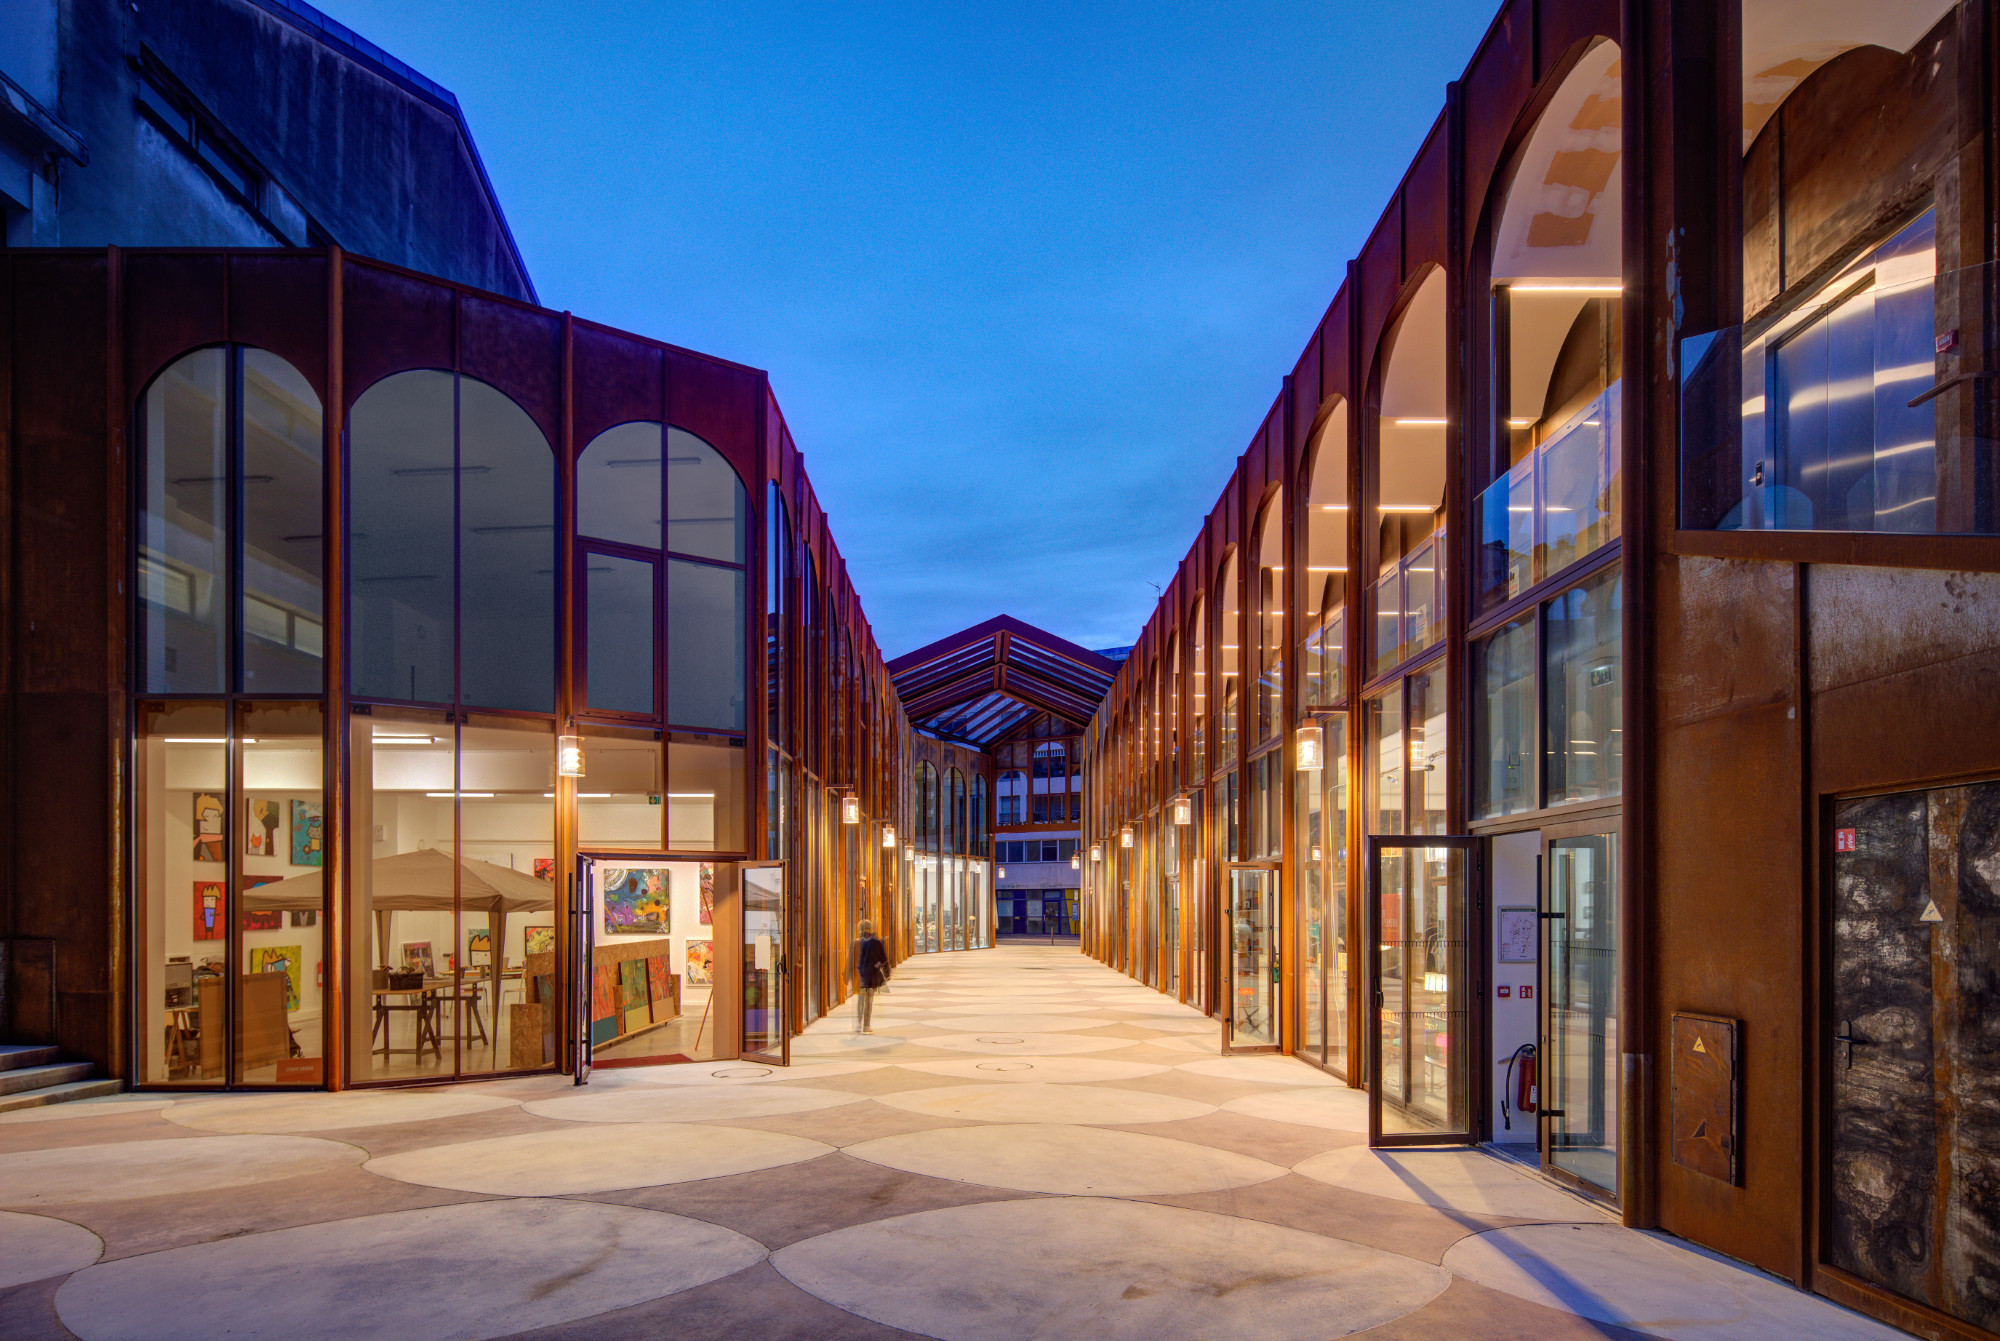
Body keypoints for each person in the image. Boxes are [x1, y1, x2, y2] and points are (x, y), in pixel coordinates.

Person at [851, 920, 888, 1034]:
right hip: (871, 975)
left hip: (859, 975)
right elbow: (882, 959)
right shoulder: (875, 942)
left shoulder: (856, 943)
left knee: (861, 999)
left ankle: (858, 1022)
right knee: (868, 1000)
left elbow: (851, 961)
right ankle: (866, 1025)